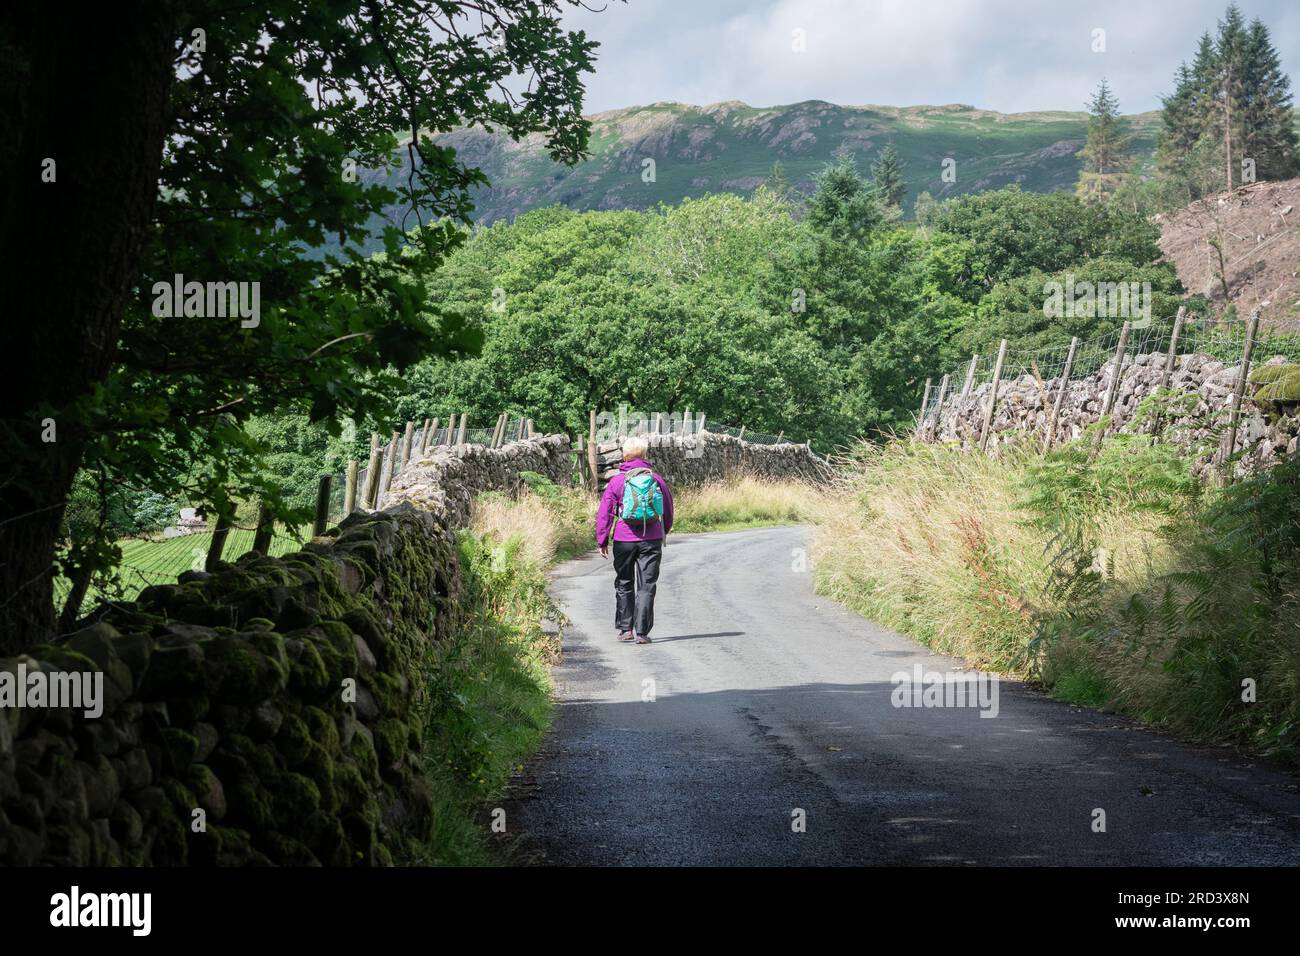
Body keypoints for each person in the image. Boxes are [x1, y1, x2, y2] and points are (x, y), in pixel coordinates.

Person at [596, 436, 674, 645]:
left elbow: (605, 513)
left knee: (624, 582)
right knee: (647, 585)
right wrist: (662, 530)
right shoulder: (656, 479)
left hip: (624, 538)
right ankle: (642, 632)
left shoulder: (616, 481)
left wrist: (602, 540)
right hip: (651, 539)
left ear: (624, 456)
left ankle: (625, 629)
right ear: (644, 455)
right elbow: (667, 508)